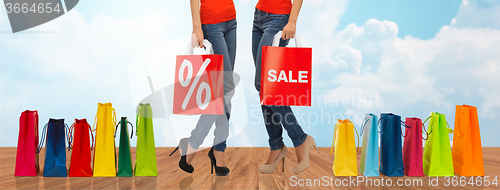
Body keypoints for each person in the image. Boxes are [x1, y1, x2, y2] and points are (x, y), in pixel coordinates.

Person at [252, 0, 323, 174]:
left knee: (264, 84)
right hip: (259, 15)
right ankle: (276, 146)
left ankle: (300, 138)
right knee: (265, 87)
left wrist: (292, 21)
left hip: (279, 18)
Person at [169, 0, 237, 176]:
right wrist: (196, 27)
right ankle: (192, 144)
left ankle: (218, 150)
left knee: (223, 91)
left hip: (231, 20)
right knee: (226, 90)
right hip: (211, 24)